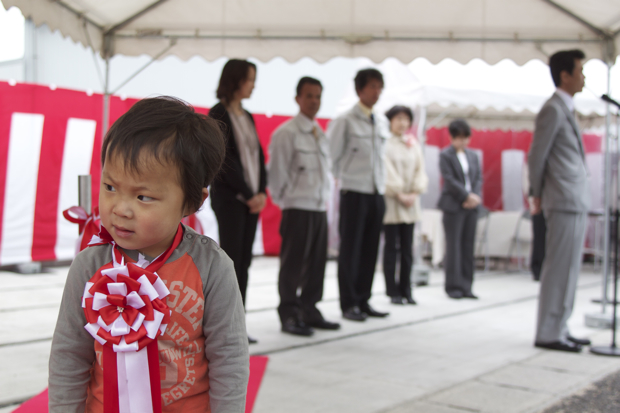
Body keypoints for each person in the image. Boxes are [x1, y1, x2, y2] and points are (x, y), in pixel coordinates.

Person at [48, 97, 249, 412]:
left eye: (143, 196)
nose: (121, 209)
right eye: (111, 187)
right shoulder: (90, 264)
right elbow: (69, 353)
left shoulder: (212, 267)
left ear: (193, 202)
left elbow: (229, 358)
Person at [528, 49, 591, 353]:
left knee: (570, 269)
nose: (583, 76)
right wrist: (535, 192)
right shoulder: (552, 109)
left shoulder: (567, 108)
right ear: (565, 75)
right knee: (558, 267)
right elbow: (537, 155)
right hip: (561, 197)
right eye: (580, 70)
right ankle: (548, 330)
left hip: (574, 198)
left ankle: (561, 325)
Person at [268, 77, 341, 336]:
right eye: (309, 96)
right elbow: (276, 175)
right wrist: (287, 199)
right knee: (293, 265)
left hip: (319, 207)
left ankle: (310, 309)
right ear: (297, 98)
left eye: (318, 96)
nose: (314, 101)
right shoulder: (286, 133)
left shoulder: (319, 133)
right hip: (297, 206)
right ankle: (288, 313)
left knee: (317, 264)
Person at [209, 59, 267, 344]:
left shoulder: (248, 115)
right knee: (230, 264)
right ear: (235, 80)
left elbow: (258, 157)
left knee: (243, 263)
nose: (253, 85)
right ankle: (226, 327)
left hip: (251, 201)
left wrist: (262, 192)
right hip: (232, 200)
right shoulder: (218, 112)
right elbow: (226, 161)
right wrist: (248, 193)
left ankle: (238, 324)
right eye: (249, 79)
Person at [328, 68, 390, 322]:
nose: (376, 92)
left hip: (377, 192)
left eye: (379, 87)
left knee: (370, 249)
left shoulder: (382, 120)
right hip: (354, 191)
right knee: (350, 250)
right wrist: (347, 175)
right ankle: (349, 303)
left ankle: (364, 299)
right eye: (372, 86)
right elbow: (332, 157)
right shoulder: (346, 120)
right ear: (359, 89)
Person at [382, 105, 428, 305]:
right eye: (398, 118)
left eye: (406, 119)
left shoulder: (413, 143)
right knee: (391, 248)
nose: (402, 123)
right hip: (393, 202)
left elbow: (421, 169)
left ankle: (407, 289)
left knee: (408, 249)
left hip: (411, 203)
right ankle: (392, 291)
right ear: (390, 121)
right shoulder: (385, 143)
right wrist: (399, 191)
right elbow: (386, 170)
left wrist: (415, 191)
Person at [437, 119, 482, 300]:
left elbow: (478, 178)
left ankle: (467, 286)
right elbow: (449, 179)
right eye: (458, 138)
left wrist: (474, 196)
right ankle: (453, 286)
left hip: (472, 206)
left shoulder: (473, 155)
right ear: (451, 137)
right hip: (453, 205)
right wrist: (465, 196)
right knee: (454, 247)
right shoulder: (445, 155)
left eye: (465, 138)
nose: (462, 141)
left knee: (468, 246)